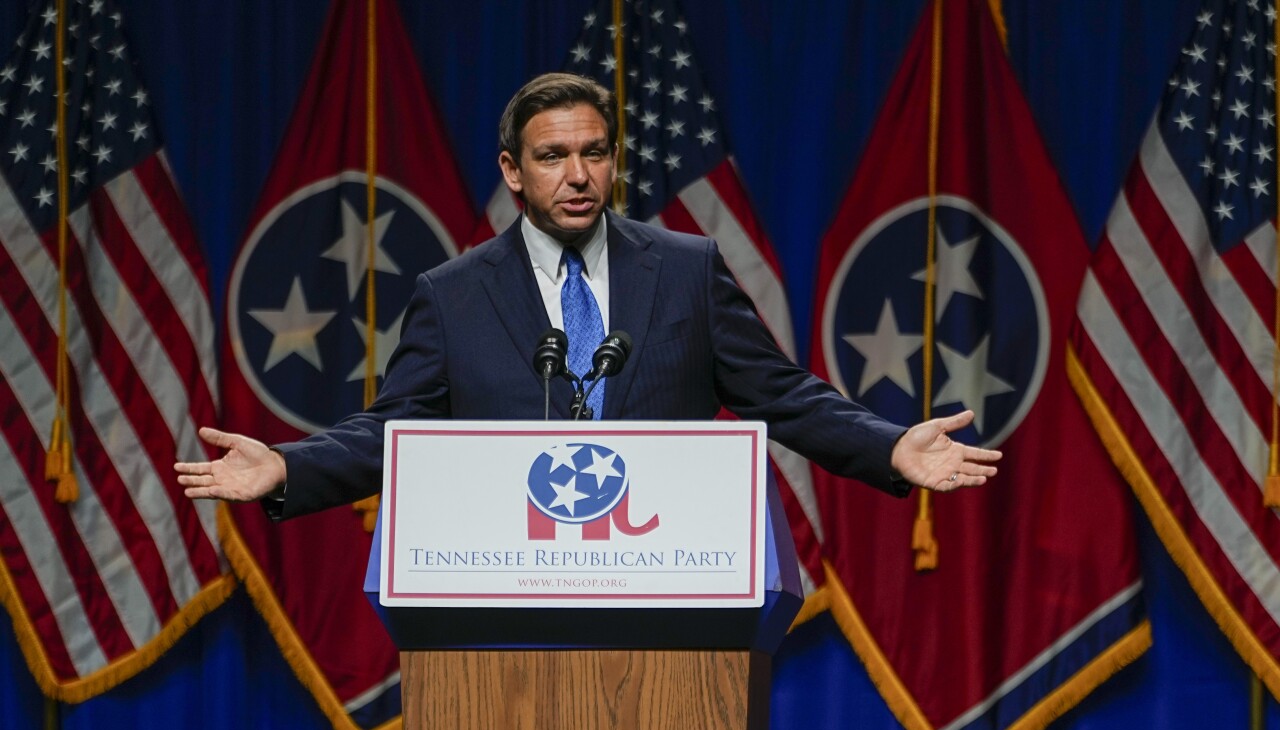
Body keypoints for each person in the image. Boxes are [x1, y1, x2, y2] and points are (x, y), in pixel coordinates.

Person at [175, 73, 1000, 515]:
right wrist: (289, 464)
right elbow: (396, 430)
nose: (578, 175)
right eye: (552, 156)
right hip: (509, 607)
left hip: (667, 592)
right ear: (512, 171)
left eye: (595, 152)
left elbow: (782, 396)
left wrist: (889, 445)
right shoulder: (454, 295)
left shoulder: (685, 269)